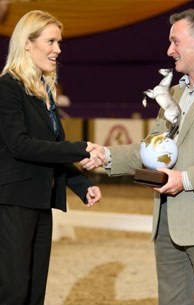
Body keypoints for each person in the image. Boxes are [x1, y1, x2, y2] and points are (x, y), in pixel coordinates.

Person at [81, 8, 194, 305]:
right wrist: (106, 154)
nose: (169, 51)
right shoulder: (175, 95)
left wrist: (186, 179)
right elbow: (151, 147)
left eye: (175, 42)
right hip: (166, 223)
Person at [0, 10, 104, 305]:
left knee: (34, 291)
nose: (58, 49)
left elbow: (53, 147)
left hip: (40, 202)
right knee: (13, 291)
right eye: (51, 41)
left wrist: (82, 185)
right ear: (27, 43)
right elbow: (22, 146)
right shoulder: (7, 87)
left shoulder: (44, 89)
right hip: (12, 203)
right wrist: (83, 147)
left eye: (59, 42)